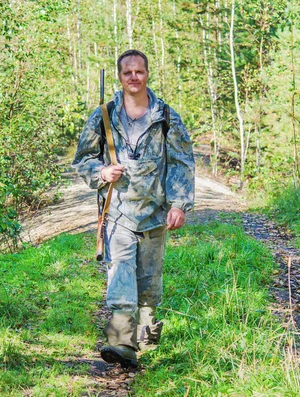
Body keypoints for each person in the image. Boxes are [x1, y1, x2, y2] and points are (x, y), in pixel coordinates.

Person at [72, 49, 196, 368]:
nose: (133, 77)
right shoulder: (104, 114)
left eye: (138, 71)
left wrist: (179, 204)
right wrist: (101, 172)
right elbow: (82, 158)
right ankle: (120, 340)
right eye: (127, 72)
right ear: (120, 76)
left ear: (147, 74)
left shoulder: (166, 116)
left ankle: (148, 339)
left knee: (150, 284)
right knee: (121, 274)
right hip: (118, 212)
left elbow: (182, 162)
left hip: (155, 214)